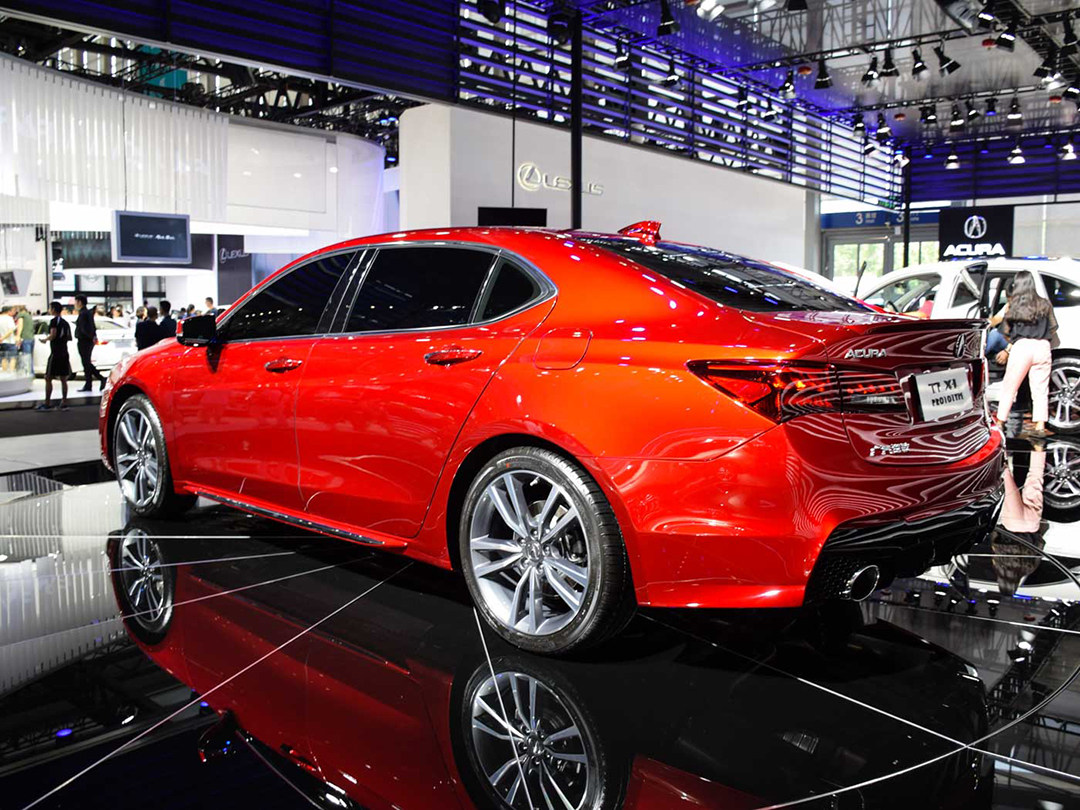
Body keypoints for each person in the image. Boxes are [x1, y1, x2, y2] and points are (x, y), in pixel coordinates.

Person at [994, 271, 1057, 438]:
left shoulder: (1013, 306)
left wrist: (1012, 343)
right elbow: (1053, 327)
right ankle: (1040, 426)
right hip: (1043, 346)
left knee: (1009, 387)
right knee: (1040, 390)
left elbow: (1005, 331)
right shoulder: (1045, 304)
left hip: (1022, 347)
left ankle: (1000, 421)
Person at [36, 301, 72, 411]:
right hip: (64, 352)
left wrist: (45, 340)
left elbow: (53, 334)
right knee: (63, 379)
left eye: (50, 308)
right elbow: (69, 337)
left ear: (53, 310)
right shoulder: (66, 323)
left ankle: (47, 403)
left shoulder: (53, 321)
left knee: (48, 377)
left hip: (55, 353)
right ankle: (64, 402)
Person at [74, 294, 106, 392]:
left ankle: (99, 379)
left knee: (86, 363)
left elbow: (84, 328)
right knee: (86, 362)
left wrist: (89, 336)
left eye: (76, 302)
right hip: (88, 340)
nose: (75, 304)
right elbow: (92, 326)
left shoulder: (83, 313)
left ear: (79, 302)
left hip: (84, 340)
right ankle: (90, 383)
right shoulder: (88, 312)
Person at [16, 304, 34, 375]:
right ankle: (31, 373)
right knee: (30, 357)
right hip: (31, 338)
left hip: (25, 338)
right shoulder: (29, 315)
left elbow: (20, 326)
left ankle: (27, 373)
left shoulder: (21, 315)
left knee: (26, 357)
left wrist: (18, 336)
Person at [0, 304, 17, 373]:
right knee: (12, 358)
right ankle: (11, 373)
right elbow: (10, 330)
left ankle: (4, 373)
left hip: (2, 343)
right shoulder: (9, 319)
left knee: (4, 358)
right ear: (8, 311)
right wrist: (2, 338)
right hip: (10, 342)